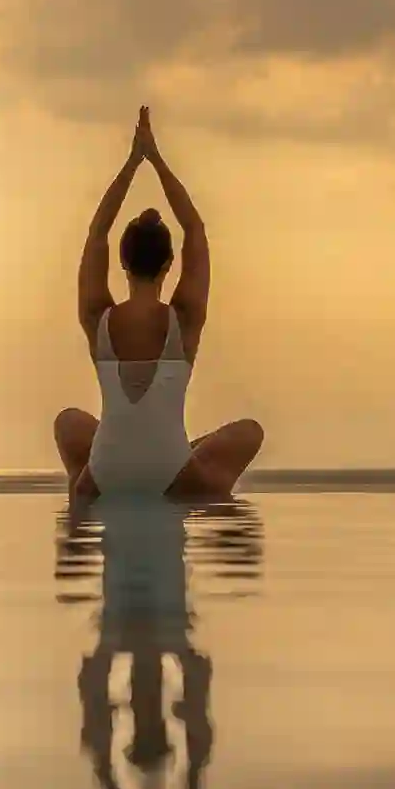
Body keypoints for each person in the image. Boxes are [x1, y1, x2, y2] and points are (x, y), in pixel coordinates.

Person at [53, 106, 264, 501]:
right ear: (170, 263)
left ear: (122, 262)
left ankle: (84, 498)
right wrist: (156, 158)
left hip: (106, 471)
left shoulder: (96, 317)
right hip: (171, 471)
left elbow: (98, 230)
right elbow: (195, 229)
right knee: (249, 431)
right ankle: (193, 468)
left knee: (69, 424)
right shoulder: (183, 319)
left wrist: (133, 162)